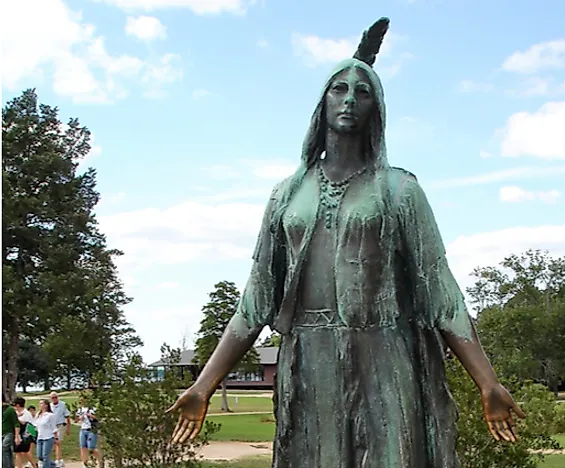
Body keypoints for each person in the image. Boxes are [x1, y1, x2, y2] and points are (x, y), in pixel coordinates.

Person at [168, 17, 524, 468]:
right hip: (309, 358)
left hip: (384, 353)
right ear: (322, 101)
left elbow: (441, 292)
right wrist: (204, 384)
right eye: (339, 88)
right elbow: (255, 301)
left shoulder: (399, 190)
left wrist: (486, 381)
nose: (351, 99)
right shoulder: (287, 194)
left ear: (378, 108)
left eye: (364, 91)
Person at [74, 398, 99, 468]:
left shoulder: (92, 409)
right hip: (83, 429)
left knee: (91, 448)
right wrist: (79, 418)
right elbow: (75, 419)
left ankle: (99, 460)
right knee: (83, 447)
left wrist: (89, 415)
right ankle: (85, 464)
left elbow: (97, 417)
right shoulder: (80, 410)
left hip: (91, 429)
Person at [12, 398, 36, 468]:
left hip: (25, 435)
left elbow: (27, 424)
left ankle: (34, 465)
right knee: (17, 452)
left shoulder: (26, 414)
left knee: (25, 452)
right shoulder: (15, 413)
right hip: (17, 435)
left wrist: (17, 419)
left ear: (18, 405)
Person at [32, 401, 57, 468]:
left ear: (46, 405)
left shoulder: (50, 415)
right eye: (39, 403)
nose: (40, 405)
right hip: (40, 437)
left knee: (45, 455)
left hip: (48, 437)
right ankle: (52, 464)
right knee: (39, 456)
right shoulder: (38, 415)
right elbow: (35, 425)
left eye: (41, 403)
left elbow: (54, 427)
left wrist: (56, 438)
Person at [46, 394, 68, 468]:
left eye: (56, 397)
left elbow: (67, 416)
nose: (54, 399)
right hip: (52, 426)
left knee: (57, 442)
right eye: (53, 398)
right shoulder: (49, 406)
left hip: (60, 425)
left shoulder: (63, 404)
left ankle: (58, 460)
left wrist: (68, 428)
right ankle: (60, 459)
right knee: (54, 443)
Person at [2, 395, 22, 468]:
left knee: (3, 448)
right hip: (2, 433)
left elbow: (16, 423)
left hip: (9, 433)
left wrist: (16, 436)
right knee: (7, 451)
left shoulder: (10, 410)